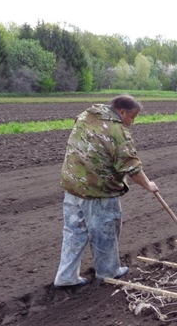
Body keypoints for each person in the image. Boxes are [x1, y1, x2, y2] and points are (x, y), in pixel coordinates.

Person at [54, 94, 159, 288]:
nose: (132, 122)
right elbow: (131, 168)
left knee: (73, 232)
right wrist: (148, 185)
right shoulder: (117, 131)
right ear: (121, 112)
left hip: (72, 185)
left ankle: (66, 277)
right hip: (98, 191)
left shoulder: (87, 115)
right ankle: (108, 272)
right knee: (105, 231)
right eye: (132, 117)